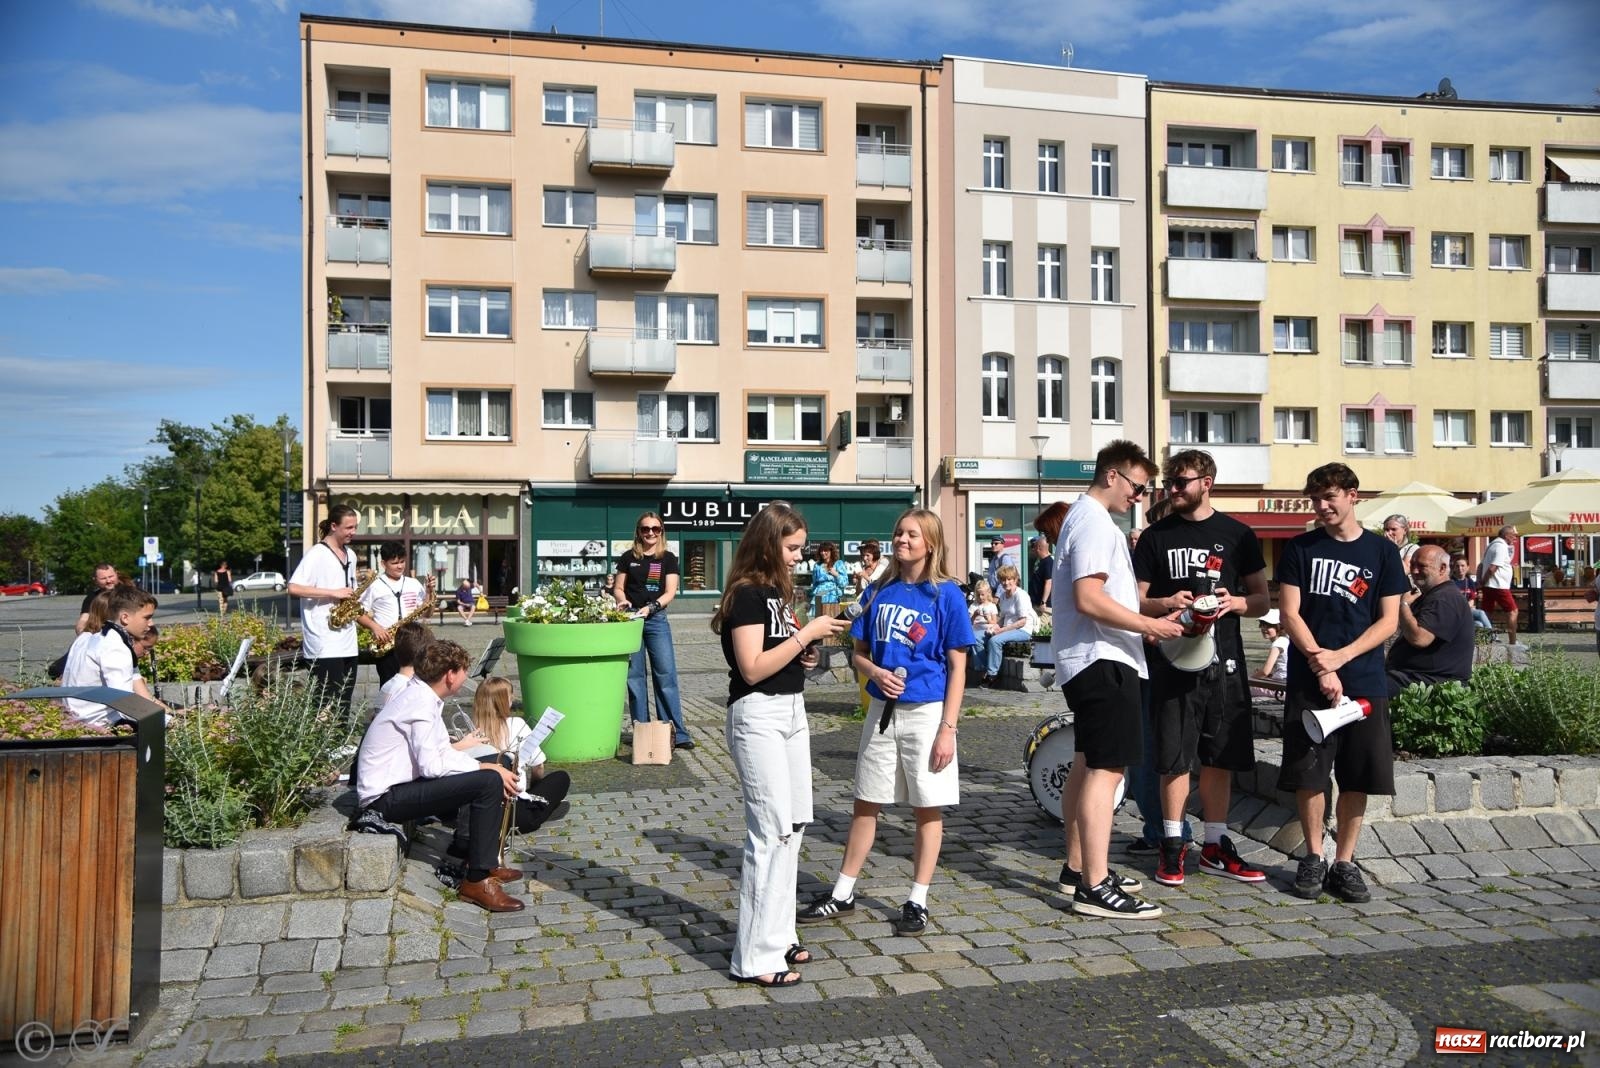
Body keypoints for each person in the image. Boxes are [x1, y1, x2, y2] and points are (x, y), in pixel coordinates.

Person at [799, 508, 974, 936]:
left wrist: (948, 729)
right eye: (899, 533)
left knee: (926, 808)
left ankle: (918, 899)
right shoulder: (880, 589)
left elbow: (958, 665)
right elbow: (858, 651)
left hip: (927, 712)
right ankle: (843, 892)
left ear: (930, 543)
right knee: (866, 800)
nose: (902, 540)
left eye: (912, 534)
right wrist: (874, 673)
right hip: (881, 712)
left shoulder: (946, 595)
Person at [714, 502, 852, 988]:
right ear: (769, 543)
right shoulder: (747, 594)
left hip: (791, 710)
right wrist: (807, 634)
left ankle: (779, 932)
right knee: (768, 832)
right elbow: (751, 667)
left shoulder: (777, 592)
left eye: (801, 548)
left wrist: (805, 652)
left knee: (794, 826)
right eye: (792, 548)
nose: (799, 557)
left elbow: (779, 655)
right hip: (759, 715)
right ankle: (752, 957)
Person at [1051, 441, 1182, 919]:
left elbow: (1102, 596)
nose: (1140, 497)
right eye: (1138, 487)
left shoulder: (1085, 520)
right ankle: (1095, 885)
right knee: (1107, 771)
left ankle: (1077, 868)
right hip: (1102, 660)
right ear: (1112, 475)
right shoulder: (1093, 522)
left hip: (1094, 658)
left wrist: (1157, 606)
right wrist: (1151, 626)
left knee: (1089, 764)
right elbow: (1088, 598)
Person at [1134, 449, 1271, 889]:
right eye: (1170, 482)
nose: (1173, 489)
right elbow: (1135, 600)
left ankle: (1215, 845)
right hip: (1174, 658)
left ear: (1207, 481)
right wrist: (1167, 603)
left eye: (1181, 482)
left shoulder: (1238, 534)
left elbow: (1263, 600)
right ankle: (1172, 844)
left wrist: (1237, 603)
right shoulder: (1157, 536)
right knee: (1174, 755)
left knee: (1221, 753)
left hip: (1225, 658)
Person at [1277, 463, 1407, 903]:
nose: (1322, 506)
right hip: (1310, 680)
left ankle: (1345, 861)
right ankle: (1313, 856)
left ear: (1354, 495)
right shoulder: (1300, 548)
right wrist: (1322, 666)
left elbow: (1388, 621)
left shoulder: (1382, 553)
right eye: (1315, 499)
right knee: (1309, 772)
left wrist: (1343, 658)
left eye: (1330, 496)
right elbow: (1290, 613)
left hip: (1365, 679)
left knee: (1357, 775)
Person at [355, 640, 526, 912]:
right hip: (384, 799)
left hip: (403, 786)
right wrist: (486, 770)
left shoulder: (423, 696)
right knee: (489, 780)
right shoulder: (419, 704)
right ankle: (477, 879)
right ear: (450, 674)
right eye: (463, 673)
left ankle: (482, 857)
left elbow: (442, 754)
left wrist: (491, 764)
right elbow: (432, 767)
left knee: (499, 761)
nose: (465, 679)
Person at [612, 511, 691, 750]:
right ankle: (642, 730)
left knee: (665, 675)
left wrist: (652, 607)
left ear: (661, 532)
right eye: (645, 529)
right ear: (639, 532)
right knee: (634, 677)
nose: (650, 533)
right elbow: (618, 587)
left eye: (655, 529)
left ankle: (676, 733)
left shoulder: (668, 558)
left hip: (656, 619)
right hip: (632, 619)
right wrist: (621, 601)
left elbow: (670, 592)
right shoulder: (628, 557)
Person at [471, 676, 571, 837]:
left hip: (481, 814)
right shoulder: (516, 724)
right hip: (516, 814)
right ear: (505, 702)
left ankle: (541, 806)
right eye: (510, 698)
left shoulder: (469, 733)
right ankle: (541, 807)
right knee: (561, 777)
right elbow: (538, 765)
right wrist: (534, 791)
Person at [288, 504, 361, 721]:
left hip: (347, 638)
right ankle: (319, 749)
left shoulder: (351, 555)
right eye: (348, 527)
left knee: (344, 700)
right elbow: (294, 587)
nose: (353, 532)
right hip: (323, 640)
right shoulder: (317, 554)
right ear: (333, 526)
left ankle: (339, 746)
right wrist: (332, 593)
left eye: (355, 527)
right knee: (324, 701)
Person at [63, 585, 167, 727]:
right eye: (147, 618)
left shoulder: (89, 638)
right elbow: (125, 704)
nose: (151, 623)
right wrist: (170, 722)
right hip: (99, 724)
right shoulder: (115, 647)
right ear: (125, 617)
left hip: (77, 718)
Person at [1387, 545, 1475, 696]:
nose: (1414, 571)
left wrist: (1404, 605)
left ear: (1442, 568)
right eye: (1412, 565)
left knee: (1367, 687)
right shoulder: (1432, 595)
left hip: (1431, 682)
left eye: (1421, 566)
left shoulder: (1445, 598)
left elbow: (1419, 638)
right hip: (1415, 677)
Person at [360, 542, 432, 686]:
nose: (400, 566)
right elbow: (357, 613)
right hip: (386, 643)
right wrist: (375, 627)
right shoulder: (374, 585)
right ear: (383, 563)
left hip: (412, 642)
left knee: (415, 686)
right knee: (389, 686)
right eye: (394, 563)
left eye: (402, 562)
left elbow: (427, 614)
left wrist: (430, 593)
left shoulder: (414, 583)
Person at [974, 565, 1037, 685]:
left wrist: (1001, 630)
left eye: (1009, 579)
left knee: (995, 641)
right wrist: (995, 626)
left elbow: (1022, 621)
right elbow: (1002, 618)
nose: (1006, 582)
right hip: (1007, 628)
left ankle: (992, 675)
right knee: (976, 637)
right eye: (1003, 579)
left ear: (1015, 579)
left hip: (1023, 630)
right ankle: (983, 670)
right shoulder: (1003, 596)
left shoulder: (1020, 595)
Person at [1477, 525, 1519, 644]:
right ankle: (1513, 642)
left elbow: (1481, 566)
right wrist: (1483, 581)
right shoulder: (1501, 547)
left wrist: (1480, 582)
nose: (1515, 538)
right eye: (1513, 535)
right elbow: (1492, 568)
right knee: (1513, 611)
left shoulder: (1491, 545)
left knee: (1486, 612)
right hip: (1498, 585)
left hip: (1490, 585)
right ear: (1506, 536)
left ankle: (1484, 639)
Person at [1250, 609, 1290, 697]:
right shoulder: (1286, 639)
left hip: (1280, 689)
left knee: (1245, 689)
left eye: (1268, 626)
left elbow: (1265, 672)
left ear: (1279, 627)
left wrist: (1250, 679)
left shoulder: (1278, 643)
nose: (1264, 629)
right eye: (1262, 625)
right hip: (1286, 683)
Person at [1450, 555, 1493, 631]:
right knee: (1481, 613)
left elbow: (1472, 600)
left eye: (1462, 566)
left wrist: (1467, 606)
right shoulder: (1450, 582)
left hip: (1467, 610)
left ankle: (1484, 639)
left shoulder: (1470, 582)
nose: (1460, 568)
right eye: (1457, 566)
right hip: (1456, 612)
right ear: (1454, 568)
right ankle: (1493, 635)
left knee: (1479, 624)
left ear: (1467, 567)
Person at [75, 564, 120, 634]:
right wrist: (82, 633)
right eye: (103, 578)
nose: (108, 581)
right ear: (95, 580)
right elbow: (84, 619)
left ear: (116, 574)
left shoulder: (130, 593)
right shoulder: (92, 598)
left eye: (111, 576)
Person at [810, 542, 851, 618]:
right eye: (821, 551)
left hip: (833, 596)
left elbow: (844, 583)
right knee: (818, 620)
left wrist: (836, 574)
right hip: (819, 595)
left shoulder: (838, 563)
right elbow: (815, 583)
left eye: (825, 551)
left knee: (832, 620)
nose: (823, 553)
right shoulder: (817, 565)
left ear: (831, 551)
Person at [1028, 536, 1054, 615]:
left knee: (1041, 627)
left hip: (1043, 607)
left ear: (1038, 547)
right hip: (1036, 603)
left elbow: (1049, 582)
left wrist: (1043, 602)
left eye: (1034, 546)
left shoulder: (1048, 562)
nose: (1032, 549)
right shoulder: (1040, 561)